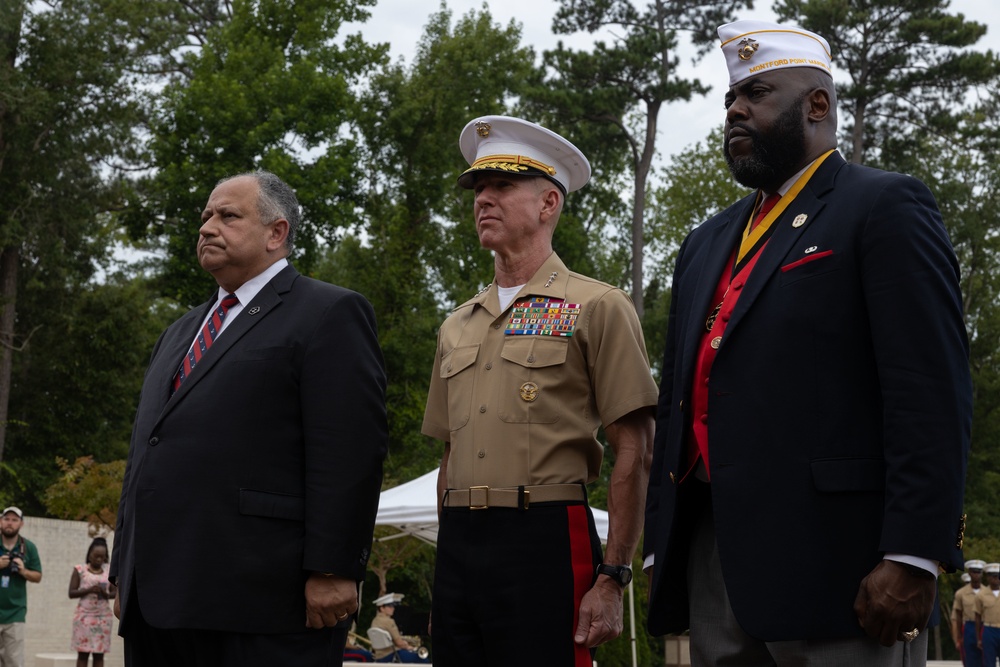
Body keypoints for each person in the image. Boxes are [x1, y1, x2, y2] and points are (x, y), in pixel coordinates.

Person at [643, 18, 972, 667]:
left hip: (842, 567)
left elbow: (929, 389)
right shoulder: (705, 242)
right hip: (718, 554)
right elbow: (678, 401)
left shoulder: (882, 205)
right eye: (729, 99)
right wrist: (663, 540)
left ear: (816, 104)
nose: (735, 108)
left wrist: (914, 550)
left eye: (757, 93)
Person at [110, 170, 388, 667]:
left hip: (262, 600)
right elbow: (146, 451)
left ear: (276, 233)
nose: (207, 227)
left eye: (228, 216)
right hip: (155, 600)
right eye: (205, 217)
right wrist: (122, 568)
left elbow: (349, 452)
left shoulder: (328, 312)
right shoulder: (179, 332)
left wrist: (334, 569)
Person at [422, 115, 658, 666]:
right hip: (460, 543)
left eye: (502, 186)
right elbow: (450, 455)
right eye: (478, 189)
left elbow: (636, 449)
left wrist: (613, 576)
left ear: (548, 202)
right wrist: (446, 569)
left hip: (546, 537)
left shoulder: (598, 306)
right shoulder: (457, 324)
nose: (484, 198)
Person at [0, 507, 41, 667]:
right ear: (1, 521)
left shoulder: (28, 547)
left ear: (21, 524)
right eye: (7, 519)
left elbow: (38, 576)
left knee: (14, 662)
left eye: (14, 520)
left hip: (15, 614)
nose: (10, 523)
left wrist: (23, 570)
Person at [69, 537, 116, 667]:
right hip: (83, 617)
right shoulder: (79, 569)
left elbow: (115, 593)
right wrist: (89, 590)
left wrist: (104, 594)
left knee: (99, 655)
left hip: (103, 618)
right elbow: (71, 593)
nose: (99, 559)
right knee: (83, 654)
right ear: (89, 555)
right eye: (96, 556)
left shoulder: (109, 571)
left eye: (102, 557)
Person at [368, 594, 428, 663]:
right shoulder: (389, 621)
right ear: (382, 608)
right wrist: (409, 647)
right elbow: (399, 643)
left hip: (379, 656)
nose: (393, 608)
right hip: (392, 655)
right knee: (423, 660)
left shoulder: (375, 621)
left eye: (393, 606)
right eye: (389, 606)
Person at [953, 559, 986, 666]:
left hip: (984, 626)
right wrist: (958, 636)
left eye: (978, 572)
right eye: (974, 572)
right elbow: (958, 615)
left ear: (982, 574)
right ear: (969, 573)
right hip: (969, 627)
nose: (976, 575)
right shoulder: (961, 593)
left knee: (986, 659)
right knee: (969, 659)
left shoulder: (987, 592)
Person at [978, 563, 1000, 665]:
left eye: (998, 575)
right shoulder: (981, 595)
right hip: (989, 630)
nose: (996, 578)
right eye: (993, 575)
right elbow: (977, 616)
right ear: (988, 577)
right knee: (989, 662)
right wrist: (978, 637)